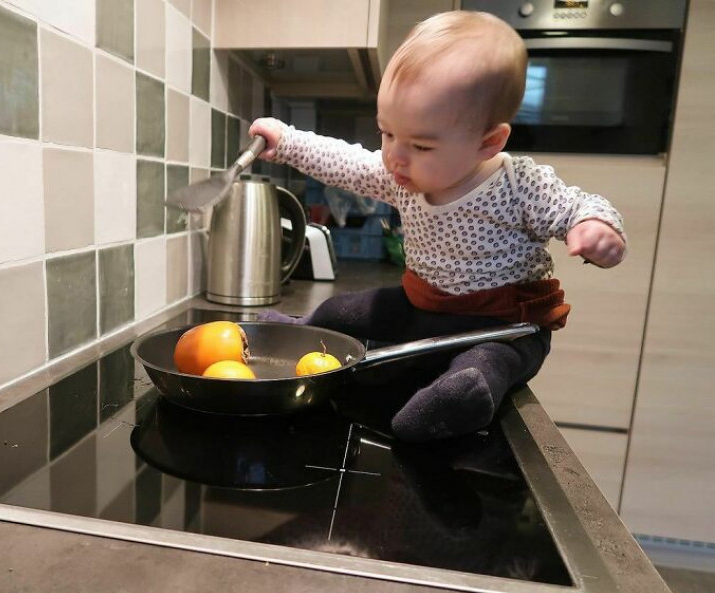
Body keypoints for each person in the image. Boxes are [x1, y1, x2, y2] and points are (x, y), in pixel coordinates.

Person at [248, 11, 627, 442]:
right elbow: (348, 163)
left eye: (421, 145)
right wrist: (288, 142)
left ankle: (457, 403)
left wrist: (595, 227)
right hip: (422, 310)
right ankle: (298, 332)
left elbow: (580, 205)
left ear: (488, 142)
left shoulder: (519, 185)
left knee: (489, 363)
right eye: (387, 133)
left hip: (504, 327)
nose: (394, 156)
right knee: (342, 312)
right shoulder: (402, 174)